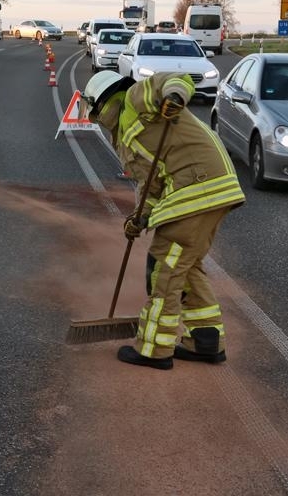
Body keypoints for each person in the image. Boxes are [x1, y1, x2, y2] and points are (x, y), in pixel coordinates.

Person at [83, 70, 246, 370]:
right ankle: (206, 341)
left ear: (102, 103)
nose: (95, 119)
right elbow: (151, 185)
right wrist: (139, 218)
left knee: (163, 269)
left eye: (94, 111)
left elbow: (174, 80)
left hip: (197, 188)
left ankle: (155, 349)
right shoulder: (126, 138)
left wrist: (175, 97)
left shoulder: (134, 99)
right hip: (207, 190)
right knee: (186, 267)